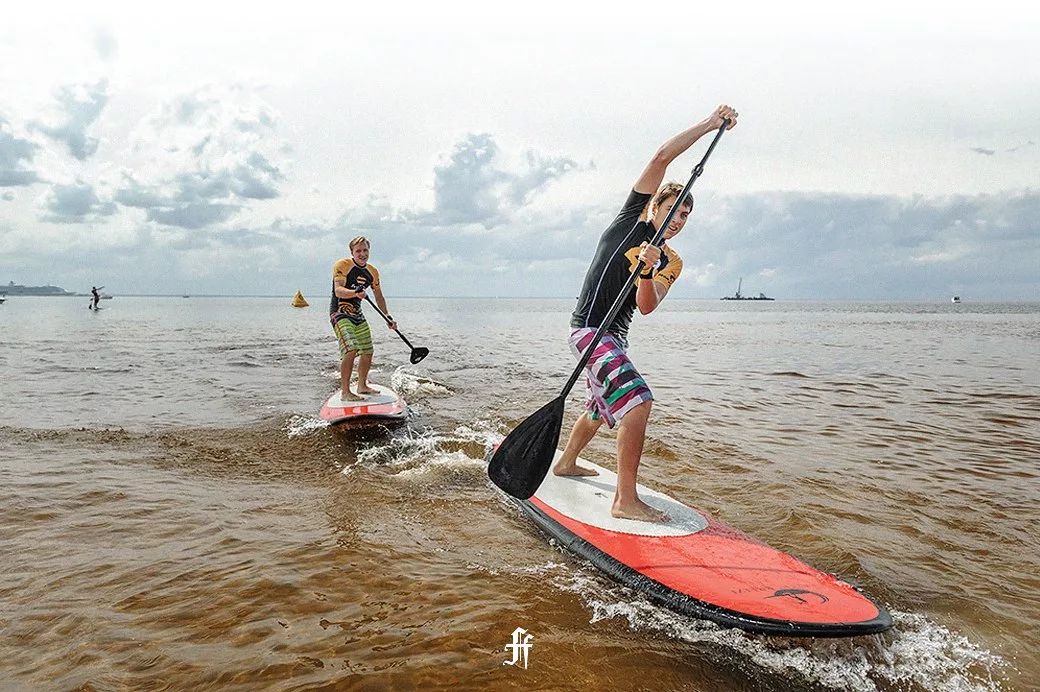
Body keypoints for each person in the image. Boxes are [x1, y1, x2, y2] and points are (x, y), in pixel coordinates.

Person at [553, 104, 739, 522]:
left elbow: (646, 306)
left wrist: (649, 268)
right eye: (674, 211)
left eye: (687, 215)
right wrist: (710, 124)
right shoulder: (627, 223)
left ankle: (565, 463)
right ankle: (625, 500)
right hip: (588, 331)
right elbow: (661, 158)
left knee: (600, 409)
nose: (679, 221)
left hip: (615, 337)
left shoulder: (671, 260)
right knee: (637, 402)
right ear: (655, 206)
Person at [330, 236, 397, 401]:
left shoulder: (372, 272)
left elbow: (379, 296)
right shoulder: (343, 265)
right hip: (339, 313)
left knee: (367, 352)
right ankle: (345, 392)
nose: (362, 254)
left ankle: (362, 385)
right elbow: (338, 291)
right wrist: (355, 293)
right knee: (351, 349)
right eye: (358, 251)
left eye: (365, 250)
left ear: (369, 251)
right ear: (352, 252)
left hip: (357, 315)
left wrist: (387, 316)